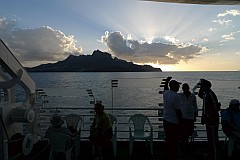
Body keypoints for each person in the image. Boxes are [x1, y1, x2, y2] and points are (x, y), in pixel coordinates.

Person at [197, 79, 221, 160]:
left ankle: (215, 156)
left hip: (213, 121)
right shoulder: (206, 94)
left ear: (207, 86)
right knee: (210, 139)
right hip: (209, 121)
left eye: (203, 86)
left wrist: (206, 115)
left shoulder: (211, 94)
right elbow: (200, 95)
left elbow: (216, 108)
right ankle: (211, 154)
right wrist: (200, 86)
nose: (201, 87)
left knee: (214, 140)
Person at [162, 76, 183, 160]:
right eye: (177, 85)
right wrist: (181, 122)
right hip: (173, 122)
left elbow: (165, 88)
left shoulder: (166, 93)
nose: (179, 87)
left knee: (168, 139)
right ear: (173, 86)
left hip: (165, 120)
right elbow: (178, 111)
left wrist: (167, 81)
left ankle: (167, 154)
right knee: (174, 140)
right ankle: (173, 155)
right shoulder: (176, 96)